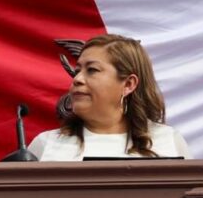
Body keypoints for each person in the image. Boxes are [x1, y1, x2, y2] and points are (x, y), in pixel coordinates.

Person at [28, 34, 190, 160]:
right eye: (77, 71)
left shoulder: (169, 140)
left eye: (92, 70)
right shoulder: (46, 144)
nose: (77, 79)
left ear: (128, 84)